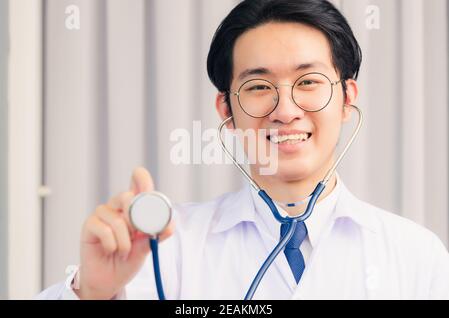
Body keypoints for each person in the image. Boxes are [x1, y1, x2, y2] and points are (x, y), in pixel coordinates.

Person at [38, 0, 449, 300]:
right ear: (227, 110)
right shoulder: (167, 247)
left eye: (308, 82)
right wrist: (93, 293)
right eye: (257, 87)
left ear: (346, 99)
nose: (285, 111)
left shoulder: (416, 254)